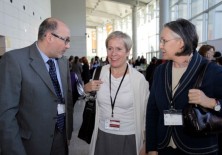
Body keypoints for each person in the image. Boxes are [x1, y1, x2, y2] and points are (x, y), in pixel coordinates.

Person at [146, 18, 222, 155]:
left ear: (181, 43)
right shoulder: (160, 71)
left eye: (164, 40)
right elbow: (152, 112)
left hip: (197, 149)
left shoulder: (212, 71)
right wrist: (151, 148)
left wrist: (210, 102)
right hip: (164, 147)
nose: (160, 45)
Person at [0, 17, 74, 155]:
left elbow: (67, 100)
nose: (68, 46)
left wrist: (67, 134)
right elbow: (6, 114)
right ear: (50, 37)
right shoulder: (15, 60)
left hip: (60, 140)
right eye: (66, 40)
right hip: (30, 145)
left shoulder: (63, 63)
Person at [84, 31, 149, 155]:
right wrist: (86, 89)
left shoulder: (138, 80)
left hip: (128, 137)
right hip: (102, 135)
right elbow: (92, 98)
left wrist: (146, 143)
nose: (113, 53)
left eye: (119, 49)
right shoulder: (98, 73)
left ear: (128, 52)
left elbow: (146, 113)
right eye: (110, 48)